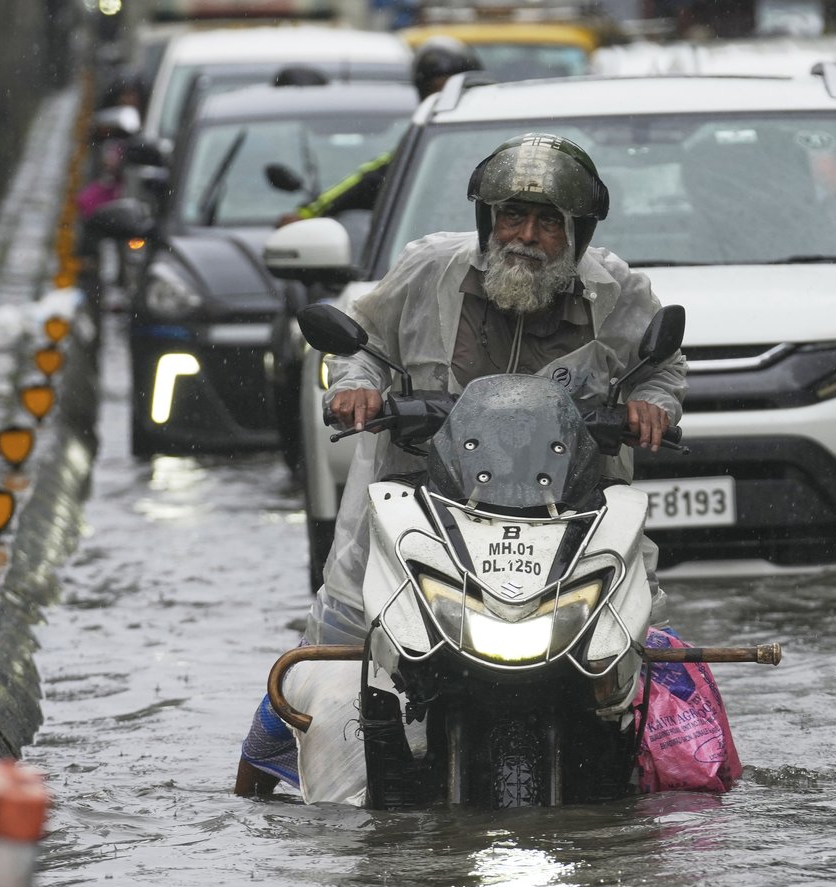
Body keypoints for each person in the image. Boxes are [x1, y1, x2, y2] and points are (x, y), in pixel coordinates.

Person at [236, 133, 686, 795]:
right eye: (511, 216)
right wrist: (354, 387)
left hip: (567, 521)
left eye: (548, 224)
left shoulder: (616, 291)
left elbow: (662, 365)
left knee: (638, 670)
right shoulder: (428, 272)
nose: (525, 237)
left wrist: (651, 402)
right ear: (487, 221)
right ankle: (252, 783)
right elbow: (360, 340)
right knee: (321, 669)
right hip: (419, 510)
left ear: (579, 236)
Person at [281, 37, 483, 224]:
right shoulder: (426, 147)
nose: (447, 98)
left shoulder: (503, 140)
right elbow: (374, 178)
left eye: (458, 89)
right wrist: (310, 213)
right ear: (422, 94)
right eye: (437, 90)